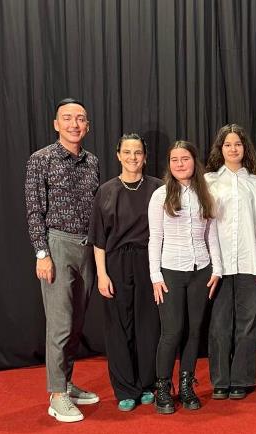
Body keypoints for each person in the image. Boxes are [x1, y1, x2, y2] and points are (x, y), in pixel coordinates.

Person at [25, 98, 100, 423]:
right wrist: (42, 253)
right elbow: (34, 209)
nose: (74, 124)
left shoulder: (92, 162)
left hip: (87, 248)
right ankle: (56, 396)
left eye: (80, 118)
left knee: (77, 323)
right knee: (60, 324)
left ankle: (66, 383)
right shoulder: (40, 159)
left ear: (87, 126)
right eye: (67, 118)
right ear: (57, 124)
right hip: (57, 246)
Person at [88, 133, 162, 412]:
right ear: (118, 155)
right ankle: (125, 389)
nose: (133, 157)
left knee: (148, 325)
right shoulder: (106, 191)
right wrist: (102, 274)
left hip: (149, 261)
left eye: (138, 152)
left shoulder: (158, 188)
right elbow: (98, 239)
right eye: (127, 152)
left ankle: (148, 384)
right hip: (116, 263)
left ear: (145, 156)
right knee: (119, 327)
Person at [148, 140, 222, 414]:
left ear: (194, 161)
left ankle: (187, 384)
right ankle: (163, 387)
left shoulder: (205, 194)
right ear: (169, 165)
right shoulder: (160, 195)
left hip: (201, 270)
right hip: (170, 271)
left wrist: (217, 268)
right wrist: (155, 276)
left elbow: (211, 234)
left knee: (193, 330)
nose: (180, 164)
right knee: (172, 331)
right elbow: (155, 238)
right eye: (174, 160)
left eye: (185, 158)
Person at [205, 124, 256, 400]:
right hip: (219, 266)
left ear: (245, 148)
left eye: (237, 144)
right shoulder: (209, 181)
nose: (233, 149)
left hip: (249, 263)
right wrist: (210, 262)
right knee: (219, 325)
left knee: (246, 324)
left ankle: (242, 380)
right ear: (220, 149)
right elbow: (205, 225)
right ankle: (220, 380)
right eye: (227, 144)